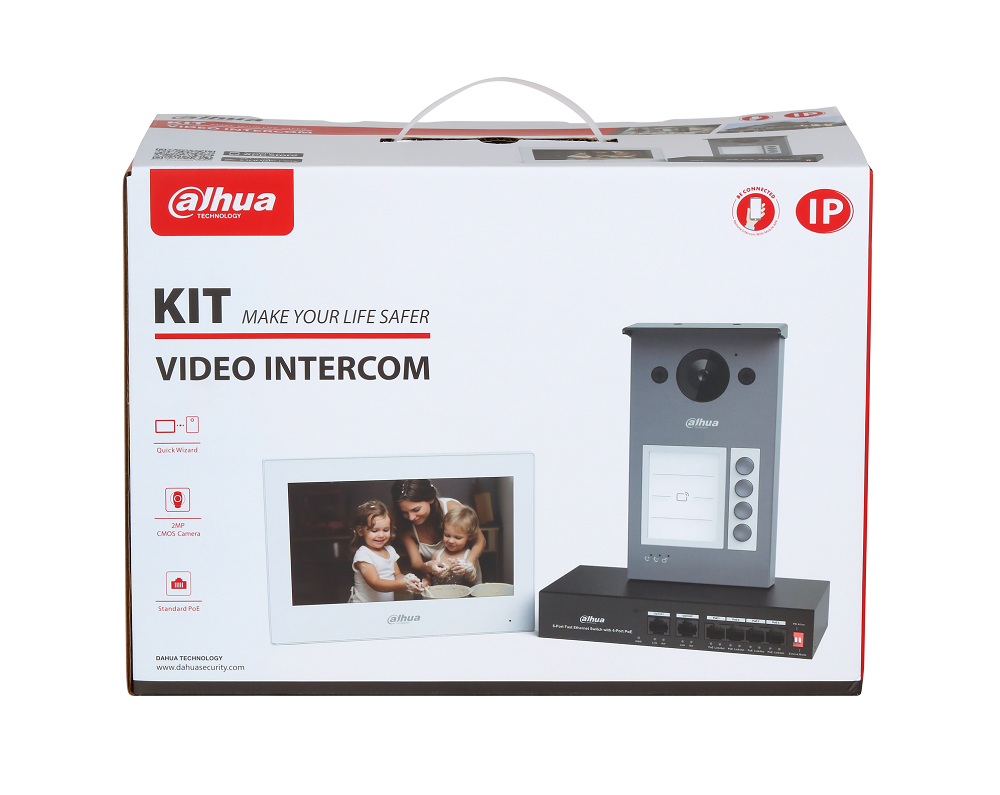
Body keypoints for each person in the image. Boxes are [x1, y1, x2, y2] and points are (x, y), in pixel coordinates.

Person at [392, 479, 486, 580]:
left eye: (416, 510)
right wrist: (428, 567)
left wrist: (469, 562)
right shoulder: (406, 526)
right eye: (404, 512)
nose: (411, 517)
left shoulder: (452, 509)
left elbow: (480, 540)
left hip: (468, 579)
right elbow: (416, 564)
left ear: (430, 499)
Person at [348, 500, 423, 603]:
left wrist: (408, 580)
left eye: (386, 530)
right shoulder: (363, 555)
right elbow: (375, 583)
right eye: (375, 531)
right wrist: (404, 584)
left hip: (384, 606)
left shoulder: (390, 550)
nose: (381, 535)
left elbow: (397, 575)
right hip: (364, 607)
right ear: (360, 530)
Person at [422, 505, 484, 588]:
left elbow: (473, 581)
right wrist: (426, 580)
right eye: (447, 535)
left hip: (462, 596)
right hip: (440, 595)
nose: (451, 541)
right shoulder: (437, 554)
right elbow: (430, 575)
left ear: (470, 536)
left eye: (458, 537)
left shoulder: (469, 556)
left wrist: (468, 571)